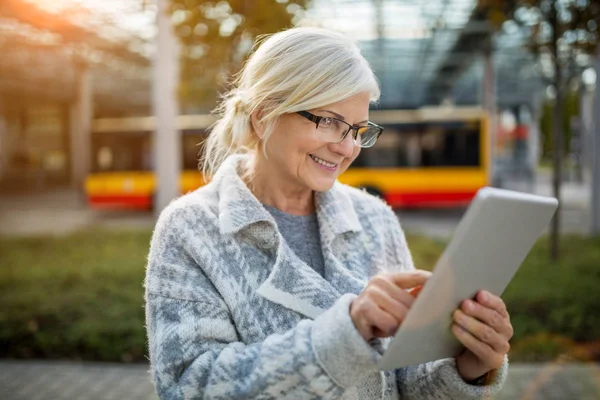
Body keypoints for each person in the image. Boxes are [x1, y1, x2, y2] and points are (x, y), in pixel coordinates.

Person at [144, 26, 512, 400]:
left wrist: (466, 365)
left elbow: (401, 381)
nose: (348, 147)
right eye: (330, 122)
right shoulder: (190, 230)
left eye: (358, 128)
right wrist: (344, 335)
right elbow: (189, 387)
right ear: (263, 116)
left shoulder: (375, 218)